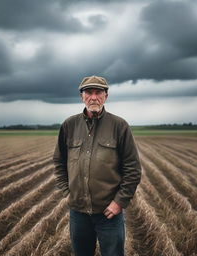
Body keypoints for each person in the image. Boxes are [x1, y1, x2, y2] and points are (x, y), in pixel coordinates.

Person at [53, 75, 141, 256]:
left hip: (109, 213)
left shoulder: (119, 126)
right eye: (88, 92)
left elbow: (132, 169)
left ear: (106, 96)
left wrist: (119, 202)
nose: (93, 97)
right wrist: (67, 192)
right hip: (78, 212)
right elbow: (59, 162)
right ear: (82, 96)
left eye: (98, 92)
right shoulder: (69, 125)